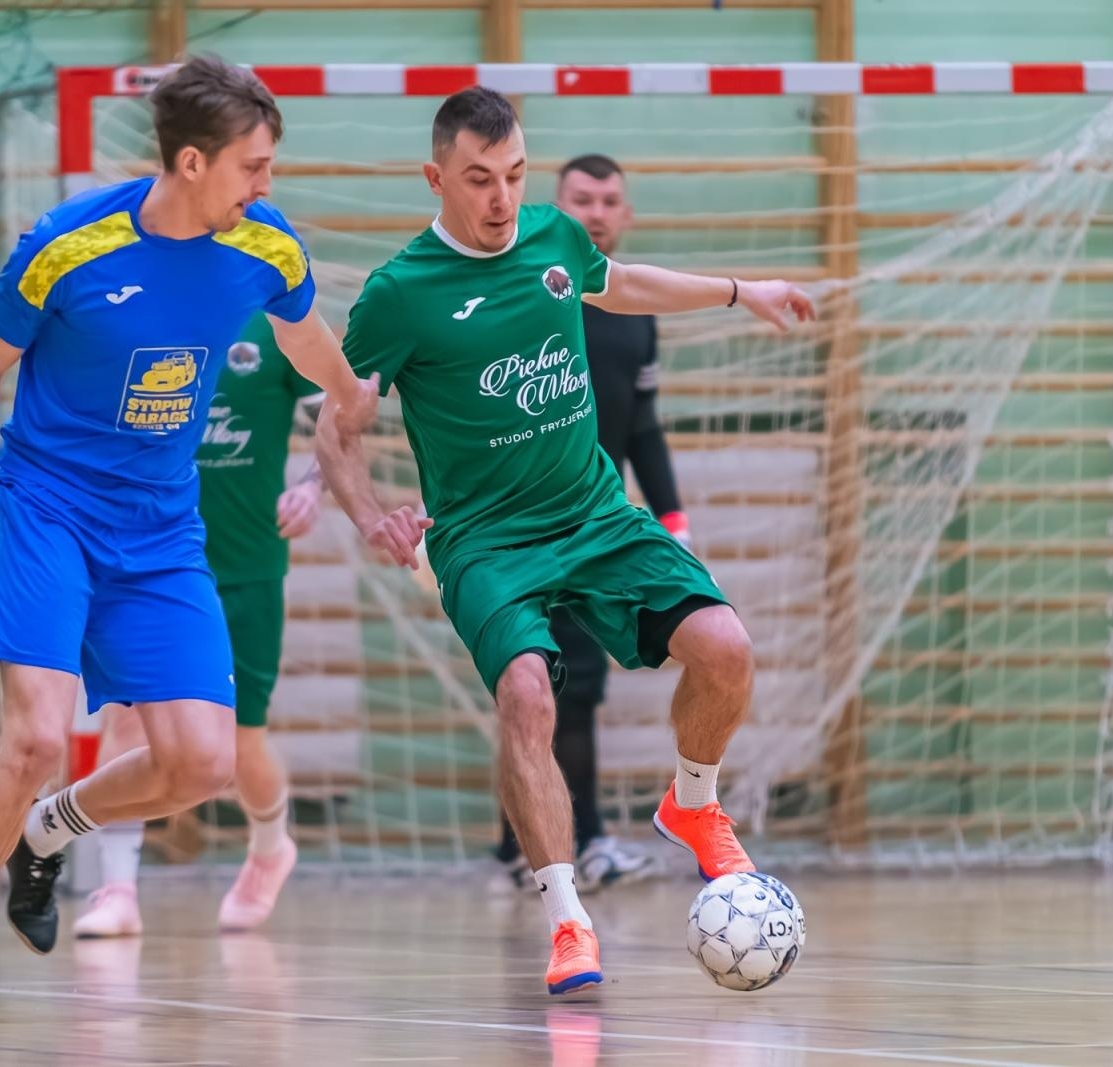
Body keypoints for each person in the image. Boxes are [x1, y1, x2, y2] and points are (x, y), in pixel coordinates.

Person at [0, 55, 381, 1022]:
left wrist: (355, 392)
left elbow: (308, 342)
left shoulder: (267, 247)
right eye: (254, 165)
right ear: (193, 163)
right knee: (35, 735)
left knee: (201, 762)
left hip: (161, 526)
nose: (267, 185)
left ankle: (47, 834)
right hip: (50, 507)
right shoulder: (68, 246)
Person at [315, 87, 814, 995]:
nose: (501, 198)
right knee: (528, 695)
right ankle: (567, 919)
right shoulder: (400, 294)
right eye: (478, 179)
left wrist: (746, 292)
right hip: (485, 539)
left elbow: (621, 286)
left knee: (727, 650)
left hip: (591, 513)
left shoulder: (552, 239)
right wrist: (367, 510)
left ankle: (691, 806)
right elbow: (335, 428)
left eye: (512, 175)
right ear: (436, 178)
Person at [73, 311, 326, 938]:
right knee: (127, 719)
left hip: (245, 566)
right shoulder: (147, 313)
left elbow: (340, 416)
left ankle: (271, 847)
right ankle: (117, 889)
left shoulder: (277, 322)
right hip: (147, 564)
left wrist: (316, 485)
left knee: (239, 742)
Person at [491, 153, 684, 895]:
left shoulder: (634, 314)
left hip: (596, 527)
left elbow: (643, 427)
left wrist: (672, 516)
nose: (597, 212)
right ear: (558, 208)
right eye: (582, 199)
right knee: (538, 687)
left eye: (610, 200)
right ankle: (570, 843)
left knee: (567, 688)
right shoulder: (530, 294)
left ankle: (534, 844)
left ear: (626, 214)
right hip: (519, 525)